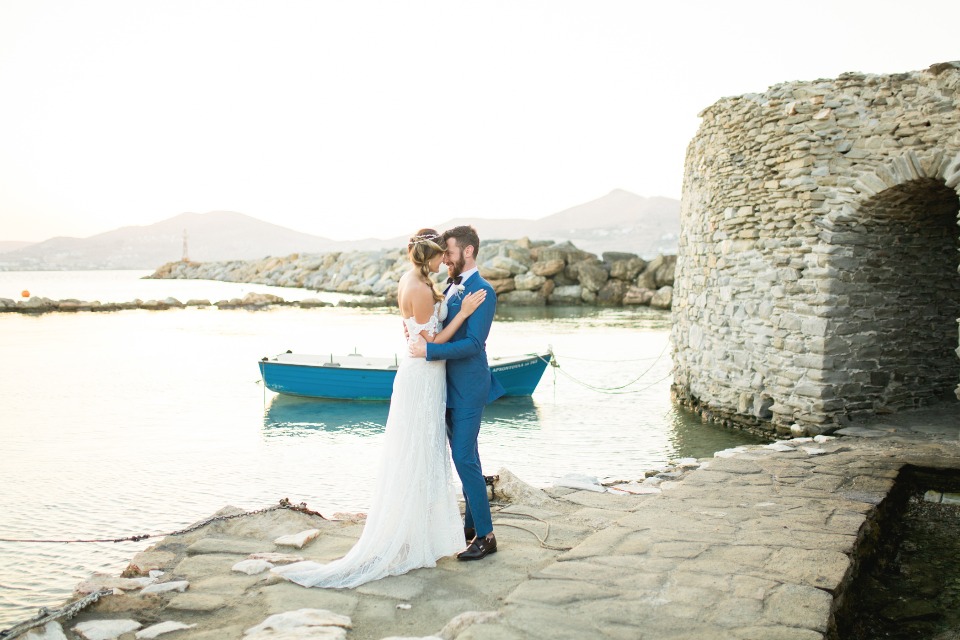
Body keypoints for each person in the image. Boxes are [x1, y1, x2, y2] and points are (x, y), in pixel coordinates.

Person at [271, 229, 487, 588]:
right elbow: (429, 343)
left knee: (421, 453)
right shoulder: (419, 287)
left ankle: (422, 529)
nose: (443, 263)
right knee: (417, 453)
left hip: (426, 376)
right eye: (439, 257)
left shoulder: (412, 279)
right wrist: (462, 314)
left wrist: (422, 331)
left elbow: (417, 331)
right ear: (428, 256)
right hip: (422, 376)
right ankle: (412, 534)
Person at [409, 225, 504, 561]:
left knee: (463, 457)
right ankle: (471, 523)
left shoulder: (483, 291)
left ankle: (487, 536)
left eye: (448, 252)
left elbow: (474, 343)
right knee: (469, 458)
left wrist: (429, 353)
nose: (444, 258)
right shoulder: (450, 285)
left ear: (467, 252)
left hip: (468, 388)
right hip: (445, 387)